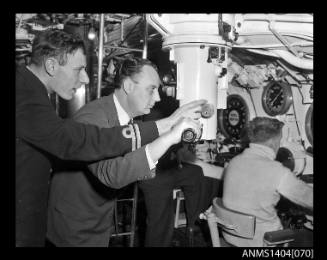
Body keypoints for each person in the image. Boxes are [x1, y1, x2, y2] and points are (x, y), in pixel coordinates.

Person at [16, 29, 206, 247]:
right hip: (72, 230)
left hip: (93, 224)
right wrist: (167, 132)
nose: (86, 79)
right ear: (51, 66)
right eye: (78, 69)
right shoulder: (88, 114)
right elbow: (110, 172)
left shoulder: (126, 118)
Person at [222, 117, 313, 247]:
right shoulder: (277, 171)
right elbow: (309, 198)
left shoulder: (234, 161)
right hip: (265, 242)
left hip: (231, 237)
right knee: (306, 238)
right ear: (274, 141)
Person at [138, 139, 223, 247]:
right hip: (150, 170)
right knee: (161, 224)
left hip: (168, 165)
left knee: (195, 172)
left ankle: (193, 221)